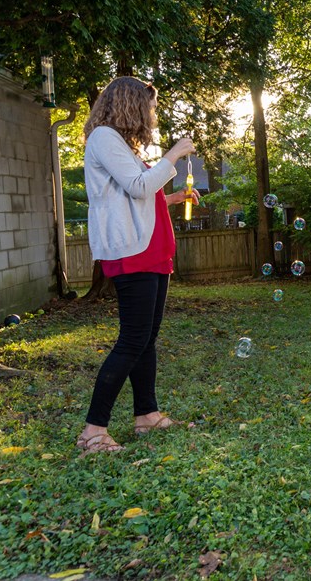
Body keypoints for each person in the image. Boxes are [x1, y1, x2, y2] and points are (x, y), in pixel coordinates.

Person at [76, 77, 199, 454]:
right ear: (131, 103)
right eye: (149, 106)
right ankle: (93, 431)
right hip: (132, 252)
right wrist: (174, 154)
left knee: (146, 339)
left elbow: (141, 193)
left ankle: (146, 415)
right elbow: (138, 188)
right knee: (132, 340)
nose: (153, 114)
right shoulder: (103, 138)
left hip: (152, 250)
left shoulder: (121, 145)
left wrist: (174, 196)